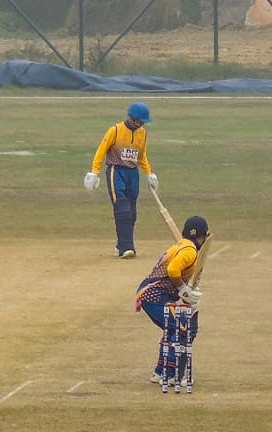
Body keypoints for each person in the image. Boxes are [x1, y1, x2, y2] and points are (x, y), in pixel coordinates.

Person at [136, 216, 209, 385]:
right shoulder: (190, 251)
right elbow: (173, 270)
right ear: (202, 237)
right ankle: (171, 374)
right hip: (154, 296)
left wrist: (187, 290)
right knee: (180, 325)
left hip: (150, 293)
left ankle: (160, 372)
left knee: (172, 328)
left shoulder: (183, 246)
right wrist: (182, 289)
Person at [84, 101, 159, 259]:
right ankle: (127, 248)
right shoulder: (115, 130)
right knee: (122, 207)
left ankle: (121, 245)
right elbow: (101, 150)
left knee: (131, 213)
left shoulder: (142, 134)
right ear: (132, 118)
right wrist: (94, 172)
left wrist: (149, 173)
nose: (141, 124)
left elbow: (141, 155)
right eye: (140, 121)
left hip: (133, 174)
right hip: (116, 171)